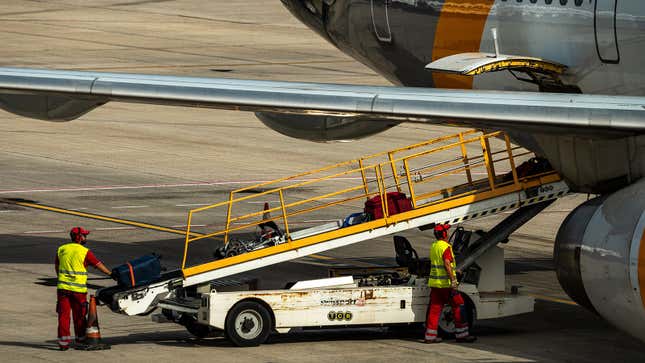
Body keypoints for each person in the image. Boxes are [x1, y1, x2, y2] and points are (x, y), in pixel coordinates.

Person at [55, 227, 113, 350]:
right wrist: (110, 274)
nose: (85, 238)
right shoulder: (84, 251)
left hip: (62, 289)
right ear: (79, 237)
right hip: (78, 291)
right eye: (84, 236)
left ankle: (63, 343)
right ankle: (80, 339)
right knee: (80, 315)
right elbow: (98, 265)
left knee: (63, 316)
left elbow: (57, 268)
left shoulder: (62, 249)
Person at [424, 223, 476, 343]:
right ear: (444, 234)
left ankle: (430, 337)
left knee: (435, 309)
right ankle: (462, 335)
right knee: (459, 305)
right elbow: (447, 264)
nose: (447, 233)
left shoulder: (434, 246)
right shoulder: (446, 247)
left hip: (435, 284)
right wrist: (453, 279)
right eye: (446, 232)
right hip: (446, 285)